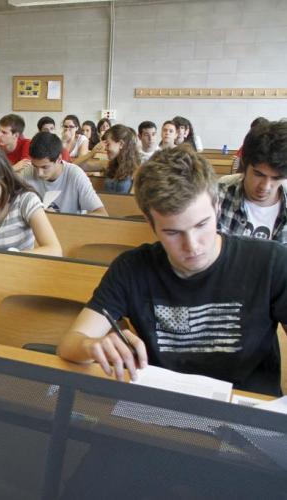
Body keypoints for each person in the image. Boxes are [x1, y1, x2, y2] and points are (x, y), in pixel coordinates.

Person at [58, 145, 287, 398]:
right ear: (150, 223)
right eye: (173, 232)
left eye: (201, 224)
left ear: (217, 207)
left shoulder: (270, 262)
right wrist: (92, 345)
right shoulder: (131, 269)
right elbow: (70, 344)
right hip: (164, 404)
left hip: (248, 407)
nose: (192, 246)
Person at [218, 120, 287, 245]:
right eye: (258, 174)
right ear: (244, 163)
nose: (265, 186)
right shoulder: (218, 196)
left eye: (276, 178)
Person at [21, 132, 107, 216]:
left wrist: (61, 218)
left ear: (59, 159)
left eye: (45, 167)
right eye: (35, 166)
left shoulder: (76, 175)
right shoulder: (27, 172)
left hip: (69, 225)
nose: (39, 173)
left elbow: (102, 214)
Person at [101, 124, 139, 194]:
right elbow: (79, 165)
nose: (105, 148)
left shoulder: (136, 169)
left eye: (108, 144)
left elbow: (133, 197)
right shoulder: (109, 164)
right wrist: (92, 153)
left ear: (121, 144)